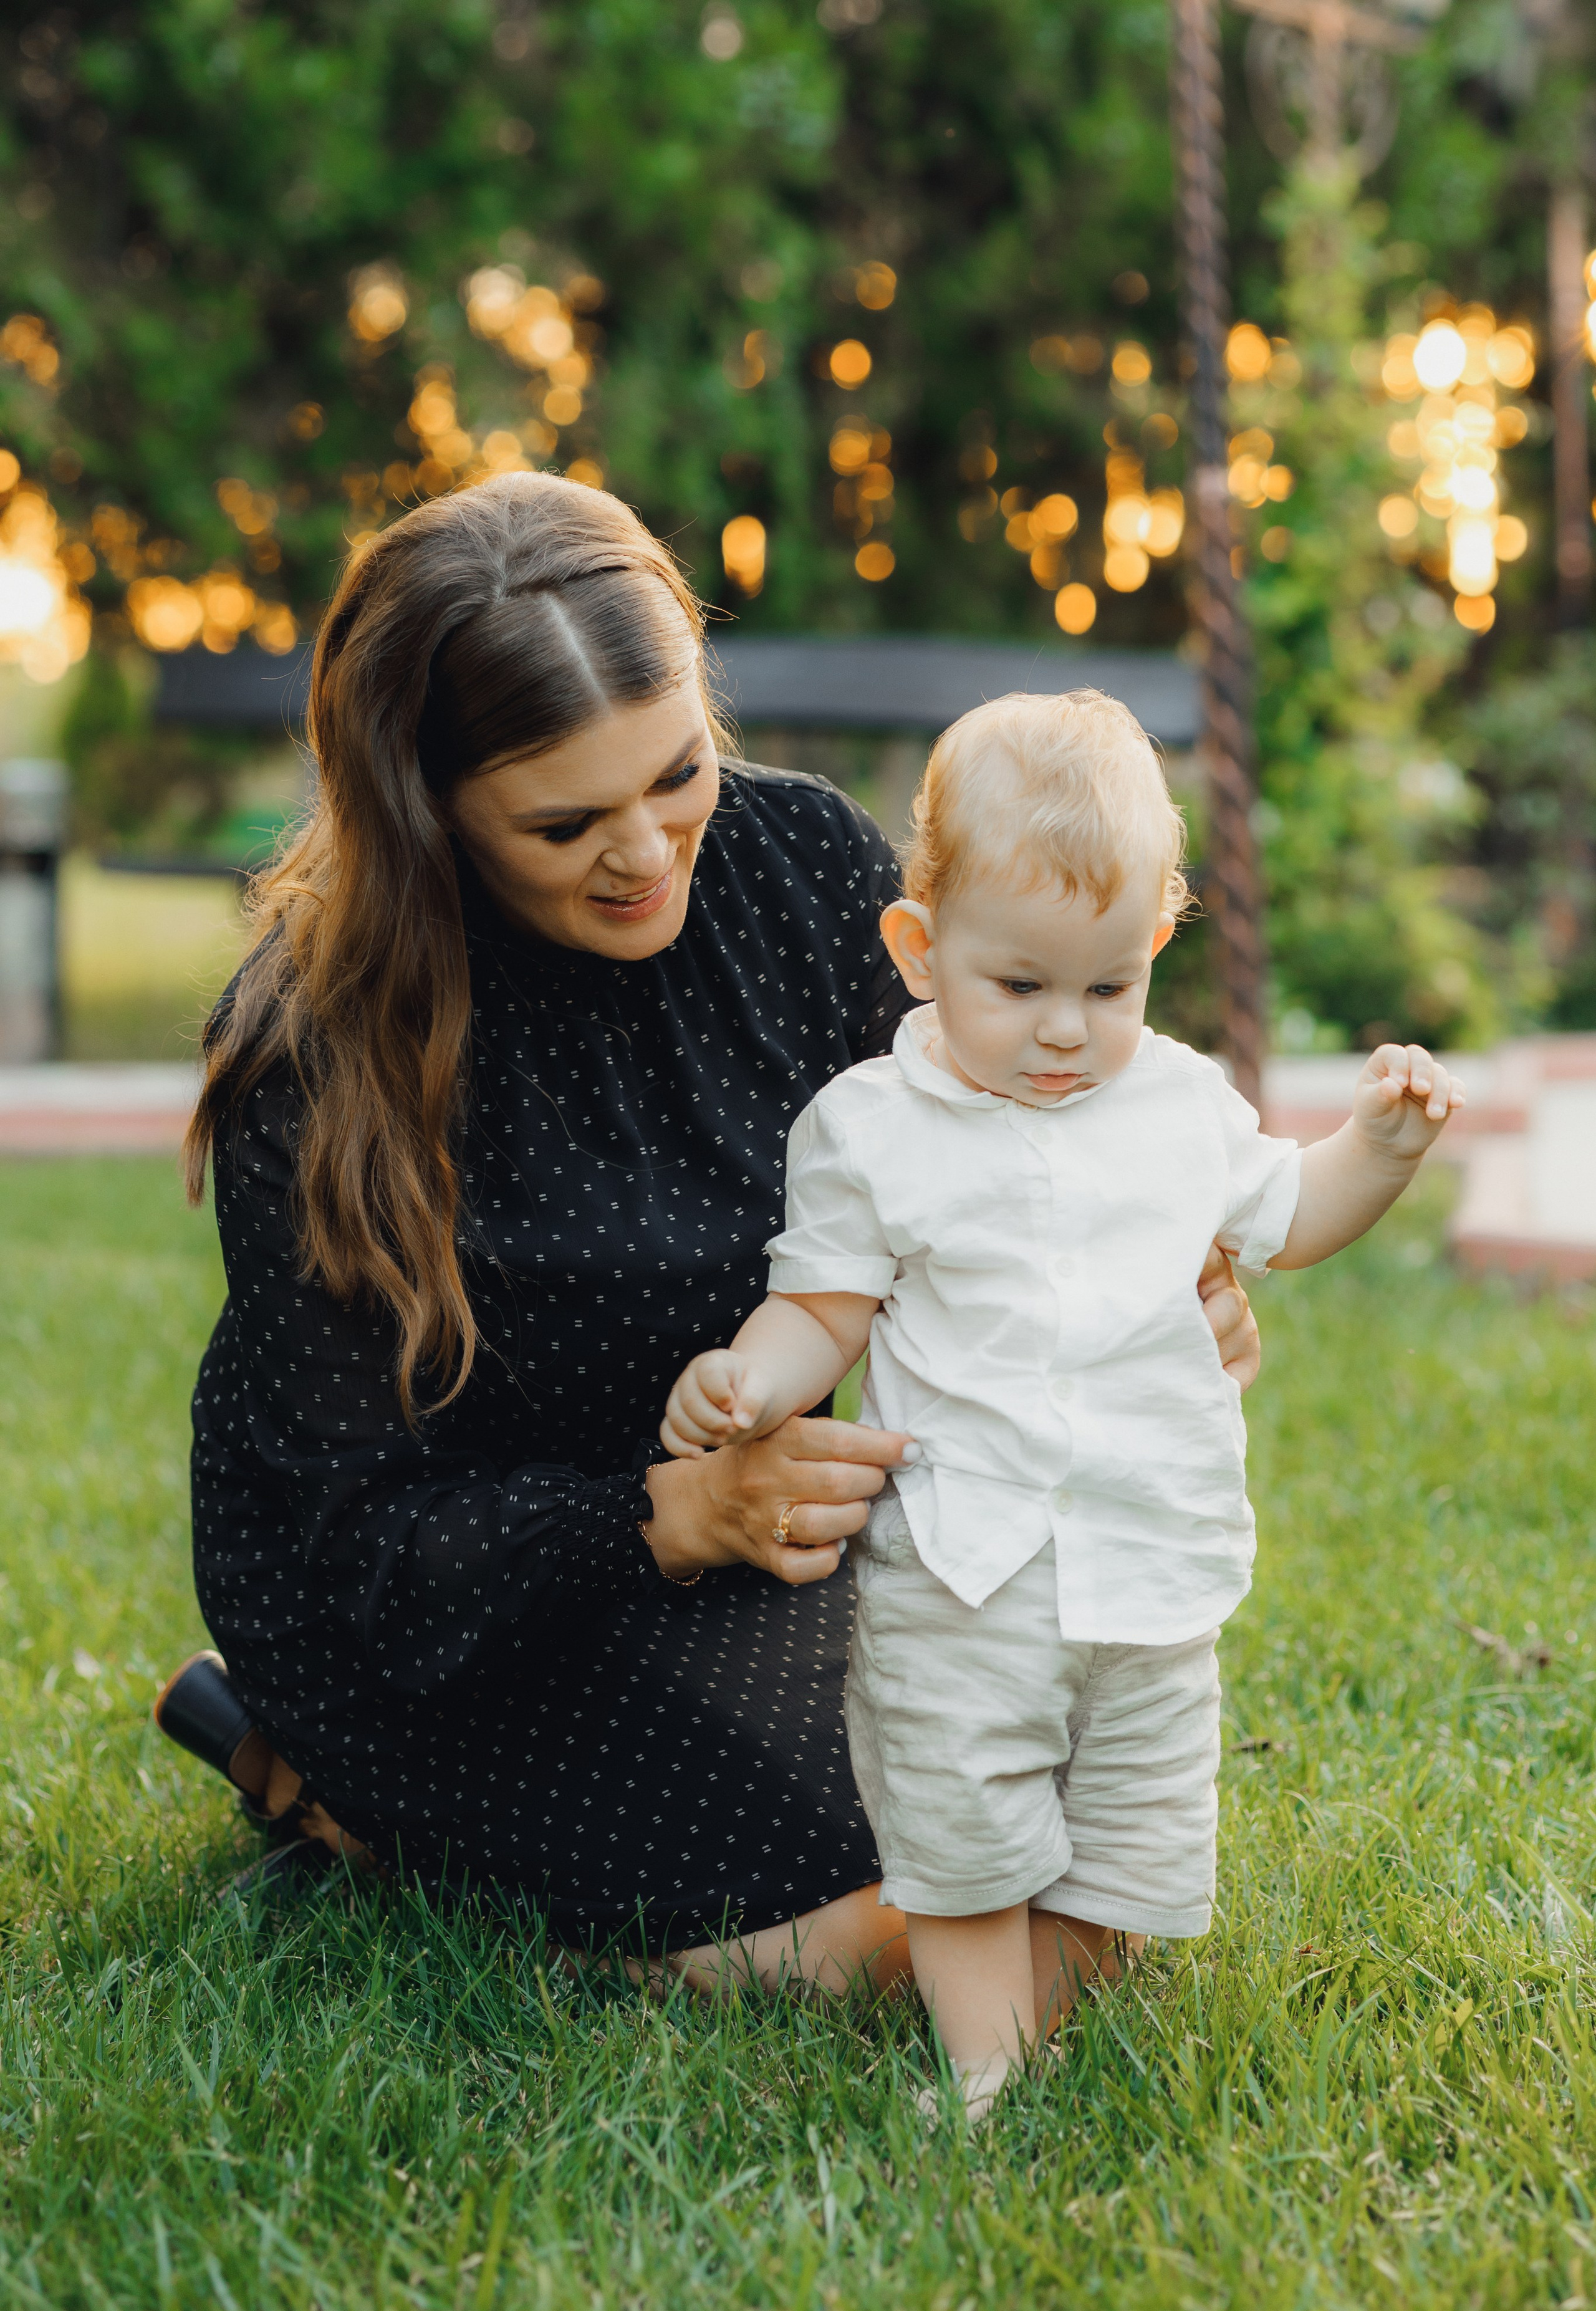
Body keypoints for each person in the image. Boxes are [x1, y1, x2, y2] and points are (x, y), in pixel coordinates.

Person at [155, 475, 1261, 1997]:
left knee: (1089, 1852)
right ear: (428, 805)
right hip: (459, 1612)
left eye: (675, 773)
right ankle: (369, 1809)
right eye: (566, 821)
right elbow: (362, 1542)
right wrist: (667, 1517)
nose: (647, 852)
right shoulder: (317, 1047)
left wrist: (1159, 1281)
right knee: (951, 1925)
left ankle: (370, 1818)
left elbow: (999, 1146)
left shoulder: (799, 872)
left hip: (762, 1550)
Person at [662, 689, 1462, 2105]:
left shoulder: (1177, 1105)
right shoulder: (872, 1128)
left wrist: (1380, 1148)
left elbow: (1293, 1207)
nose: (1061, 1032)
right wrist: (751, 1379)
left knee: (1129, 1859)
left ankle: (1038, 1995)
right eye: (1016, 986)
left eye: (1106, 988)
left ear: (1155, 945)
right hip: (963, 1573)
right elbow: (824, 1303)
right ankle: (983, 2071)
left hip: (1146, 1566)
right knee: (963, 1838)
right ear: (920, 951)